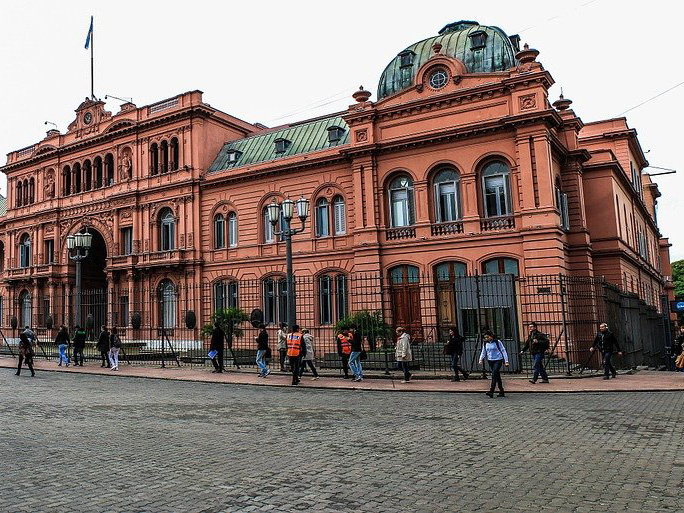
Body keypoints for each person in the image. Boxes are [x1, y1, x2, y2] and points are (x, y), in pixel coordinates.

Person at [479, 330, 509, 398]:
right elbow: (483, 352)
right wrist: (481, 359)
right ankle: (501, 391)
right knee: (497, 376)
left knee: (494, 374)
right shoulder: (485, 343)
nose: (486, 339)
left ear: (491, 336)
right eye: (485, 337)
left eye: (487, 337)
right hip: (490, 360)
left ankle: (491, 391)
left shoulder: (497, 342)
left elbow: (503, 350)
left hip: (498, 360)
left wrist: (506, 361)